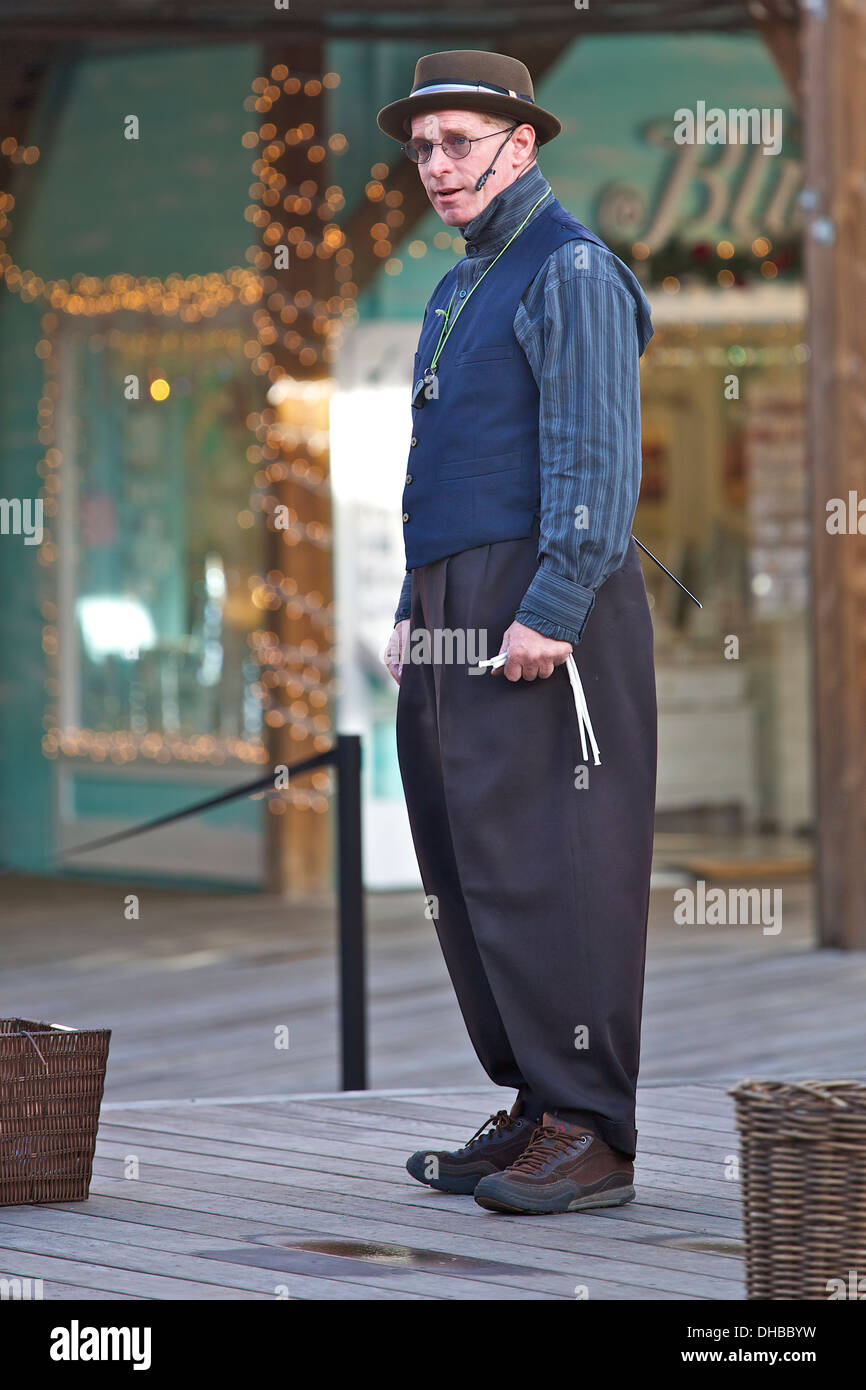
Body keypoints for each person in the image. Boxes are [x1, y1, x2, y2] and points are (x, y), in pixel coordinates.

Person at [378, 49, 657, 1215]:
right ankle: (537, 1103)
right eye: (422, 147)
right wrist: (410, 607)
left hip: (546, 604)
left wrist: (550, 606)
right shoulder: (457, 284)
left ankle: (590, 1128)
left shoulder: (569, 267)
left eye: (457, 141)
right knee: (465, 862)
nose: (435, 165)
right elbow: (445, 464)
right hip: (453, 604)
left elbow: (592, 454)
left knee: (553, 864)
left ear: (519, 141)